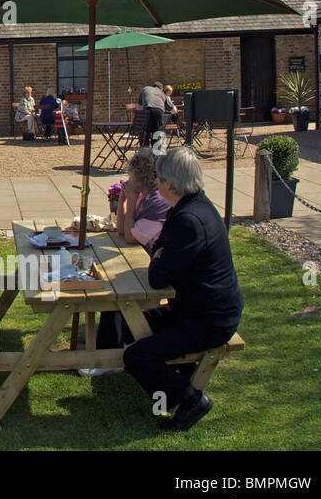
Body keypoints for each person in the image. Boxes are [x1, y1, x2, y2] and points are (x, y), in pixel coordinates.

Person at [122, 146, 244, 432]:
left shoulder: (189, 220)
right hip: (196, 308)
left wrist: (160, 257)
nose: (156, 184)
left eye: (160, 179)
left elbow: (157, 276)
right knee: (126, 320)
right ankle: (175, 381)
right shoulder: (192, 206)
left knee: (136, 356)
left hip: (210, 319)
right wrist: (161, 256)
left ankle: (191, 400)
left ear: (169, 184)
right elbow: (159, 255)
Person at [83, 149, 172, 366]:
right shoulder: (145, 197)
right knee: (112, 284)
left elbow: (131, 237)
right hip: (144, 260)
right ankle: (111, 344)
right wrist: (123, 199)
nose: (130, 180)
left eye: (133, 176)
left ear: (142, 177)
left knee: (115, 290)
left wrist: (131, 201)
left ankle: (109, 356)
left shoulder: (157, 202)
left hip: (153, 267)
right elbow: (122, 230)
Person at [133, 81, 169, 149]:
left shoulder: (145, 89)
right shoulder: (162, 93)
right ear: (161, 88)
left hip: (147, 111)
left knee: (145, 132)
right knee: (158, 133)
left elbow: (139, 106)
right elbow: (172, 108)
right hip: (159, 112)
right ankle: (157, 154)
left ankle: (144, 153)